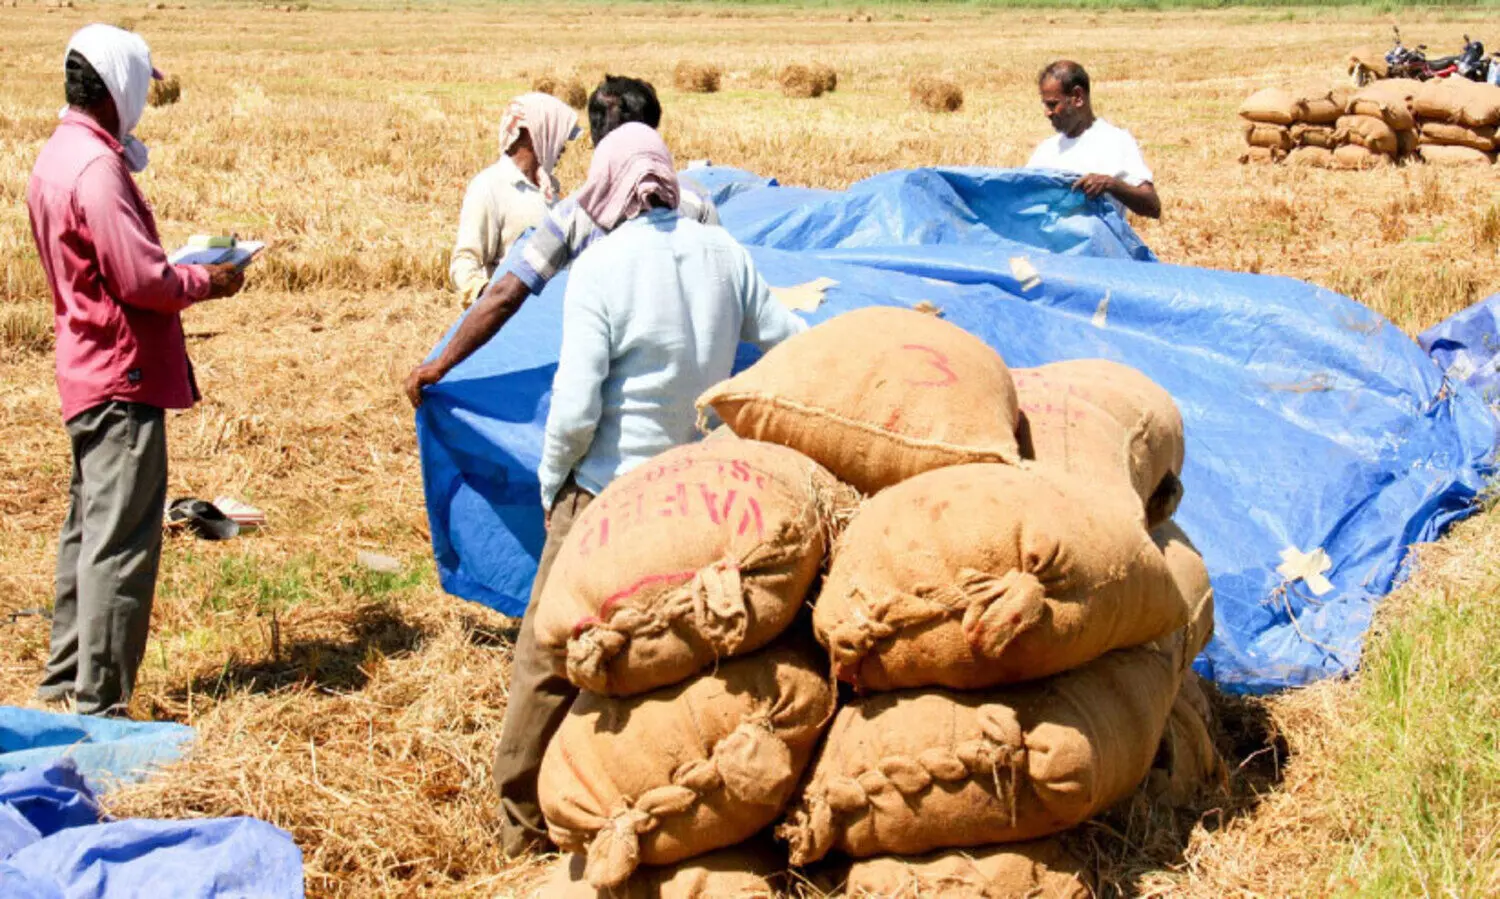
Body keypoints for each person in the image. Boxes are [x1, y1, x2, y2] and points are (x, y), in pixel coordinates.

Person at [491, 123, 807, 857]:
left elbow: (575, 407)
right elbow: (788, 338)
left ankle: (522, 826)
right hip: (696, 500)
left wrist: (553, 485)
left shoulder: (601, 269)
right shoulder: (725, 253)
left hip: (609, 494)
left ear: (607, 184)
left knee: (548, 655)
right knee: (681, 666)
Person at [26, 24, 246, 717]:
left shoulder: (56, 158)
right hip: (122, 377)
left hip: (84, 367)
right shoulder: (97, 169)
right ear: (119, 86)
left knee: (87, 534)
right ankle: (101, 705)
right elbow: (142, 278)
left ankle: (64, 683)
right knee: (121, 545)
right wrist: (209, 280)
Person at [404, 75, 719, 408]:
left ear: (600, 141)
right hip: (691, 380)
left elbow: (507, 296)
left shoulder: (576, 214)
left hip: (617, 389)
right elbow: (727, 289)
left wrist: (440, 365)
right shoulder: (696, 201)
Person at [447, 92, 579, 307]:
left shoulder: (550, 193)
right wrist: (489, 296)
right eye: (558, 135)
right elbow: (464, 262)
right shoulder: (489, 186)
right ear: (533, 133)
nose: (563, 146)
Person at [1027, 60, 1161, 220]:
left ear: (1077, 97)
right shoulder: (1046, 150)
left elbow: (1152, 206)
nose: (1047, 113)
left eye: (1053, 104)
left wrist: (1110, 185)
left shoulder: (1116, 141)